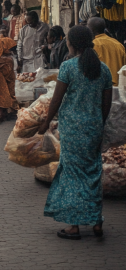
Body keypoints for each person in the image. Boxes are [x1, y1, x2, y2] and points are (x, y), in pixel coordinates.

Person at [38, 25, 112, 240]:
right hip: (94, 126)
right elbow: (106, 105)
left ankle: (74, 226)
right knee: (92, 171)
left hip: (72, 128)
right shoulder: (104, 69)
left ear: (72, 44)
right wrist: (98, 123)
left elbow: (56, 100)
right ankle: (97, 221)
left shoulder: (68, 67)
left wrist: (45, 122)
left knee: (72, 173)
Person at [88, 17, 126, 86]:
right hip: (118, 89)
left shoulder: (93, 45)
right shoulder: (118, 44)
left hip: (101, 89)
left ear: (91, 30)